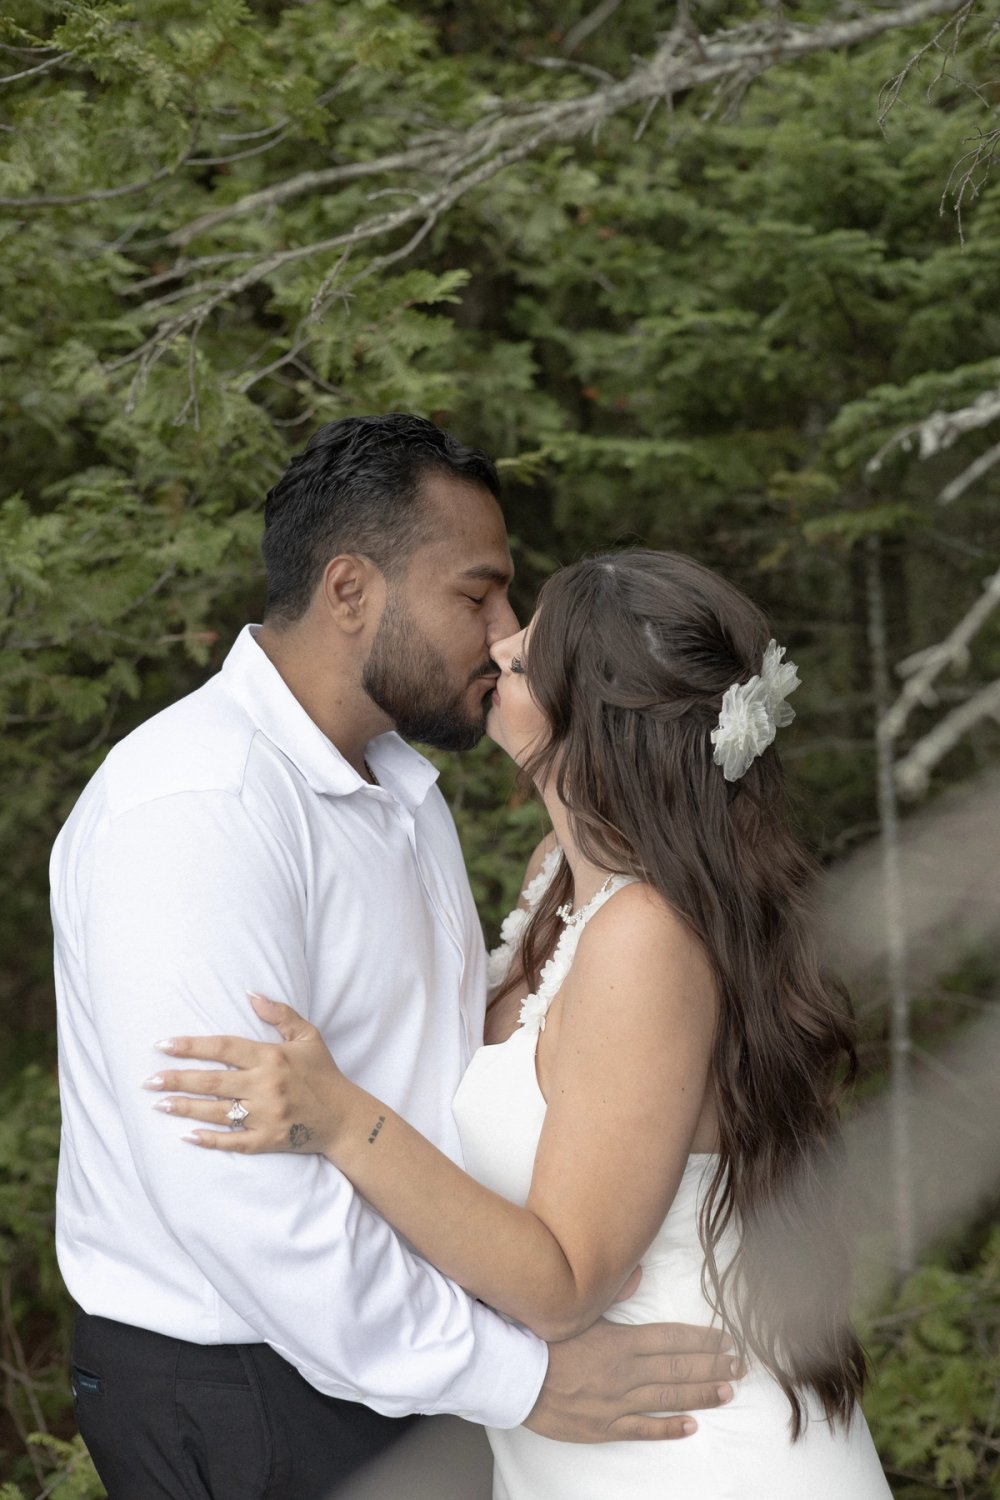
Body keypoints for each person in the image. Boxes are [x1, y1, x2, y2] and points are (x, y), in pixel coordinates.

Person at [50, 418, 736, 1500]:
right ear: (350, 591)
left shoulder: (400, 794)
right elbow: (239, 1199)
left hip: (404, 1365)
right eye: (477, 596)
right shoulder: (199, 808)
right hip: (254, 1388)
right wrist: (511, 1377)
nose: (505, 636)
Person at [148, 549, 894, 1499]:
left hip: (686, 1449)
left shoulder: (646, 938)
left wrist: (341, 1119)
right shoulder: (559, 878)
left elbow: (565, 1283)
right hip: (577, 1450)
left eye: (536, 648)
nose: (502, 645)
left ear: (600, 716)